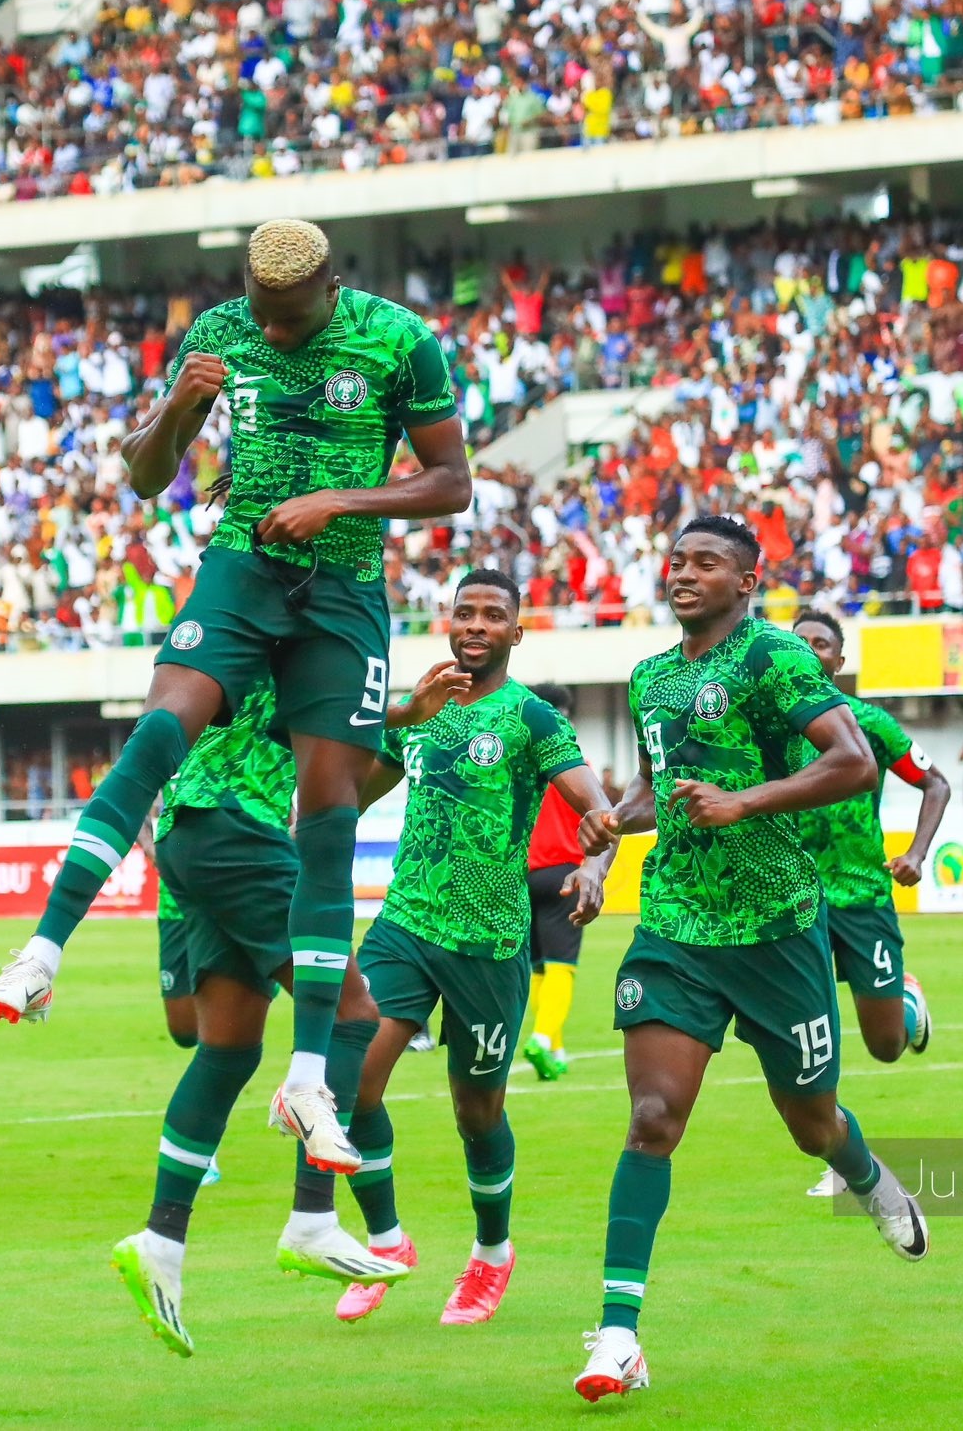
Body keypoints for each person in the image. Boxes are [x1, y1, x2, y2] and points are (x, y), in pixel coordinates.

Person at [0, 218, 469, 1177]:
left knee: (327, 810)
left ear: (329, 289)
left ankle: (311, 1077)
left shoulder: (399, 338)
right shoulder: (221, 334)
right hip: (241, 564)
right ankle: (40, 954)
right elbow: (149, 476)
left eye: (288, 319)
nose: (271, 333)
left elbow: (452, 484)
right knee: (161, 729)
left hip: (344, 587)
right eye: (260, 314)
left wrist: (341, 500)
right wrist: (176, 415)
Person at [573, 516, 927, 1404]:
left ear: (747, 577)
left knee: (811, 1122)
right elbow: (659, 787)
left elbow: (849, 763)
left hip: (778, 930)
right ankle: (619, 1334)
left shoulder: (777, 659)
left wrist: (747, 802)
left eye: (707, 563)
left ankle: (866, 1176)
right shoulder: (652, 676)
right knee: (654, 1116)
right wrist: (610, 836)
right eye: (677, 560)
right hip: (678, 926)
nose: (684, 574)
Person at [325, 571, 615, 1327]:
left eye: (494, 615)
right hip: (404, 926)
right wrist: (398, 721)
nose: (476, 624)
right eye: (466, 612)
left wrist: (592, 862)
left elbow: (597, 805)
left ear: (517, 633)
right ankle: (388, 1242)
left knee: (476, 1111)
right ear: (448, 623)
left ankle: (491, 1255)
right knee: (350, 1085)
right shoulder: (424, 707)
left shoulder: (532, 718)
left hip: (488, 945)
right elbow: (351, 798)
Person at [113, 681, 404, 1357]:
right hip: (240, 828)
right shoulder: (290, 648)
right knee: (355, 1012)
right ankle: (312, 1218)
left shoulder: (234, 643)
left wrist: (400, 719)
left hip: (194, 831)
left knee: (228, 1047)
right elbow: (338, 756)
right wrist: (400, 718)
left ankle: (160, 1241)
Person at [790, 610, 954, 1195]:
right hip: (795, 900)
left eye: (822, 644)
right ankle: (840, 1158)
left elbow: (936, 783)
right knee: (816, 1030)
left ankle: (906, 1001)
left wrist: (915, 852)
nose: (809, 650)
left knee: (885, 1046)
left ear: (838, 660)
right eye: (799, 641)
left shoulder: (869, 724)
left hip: (862, 895)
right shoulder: (768, 724)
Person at [522, 681, 591, 1080]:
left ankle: (556, 1049)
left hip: (525, 874)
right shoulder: (572, 763)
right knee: (562, 964)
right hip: (565, 872)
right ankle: (544, 1038)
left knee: (538, 968)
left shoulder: (521, 759)